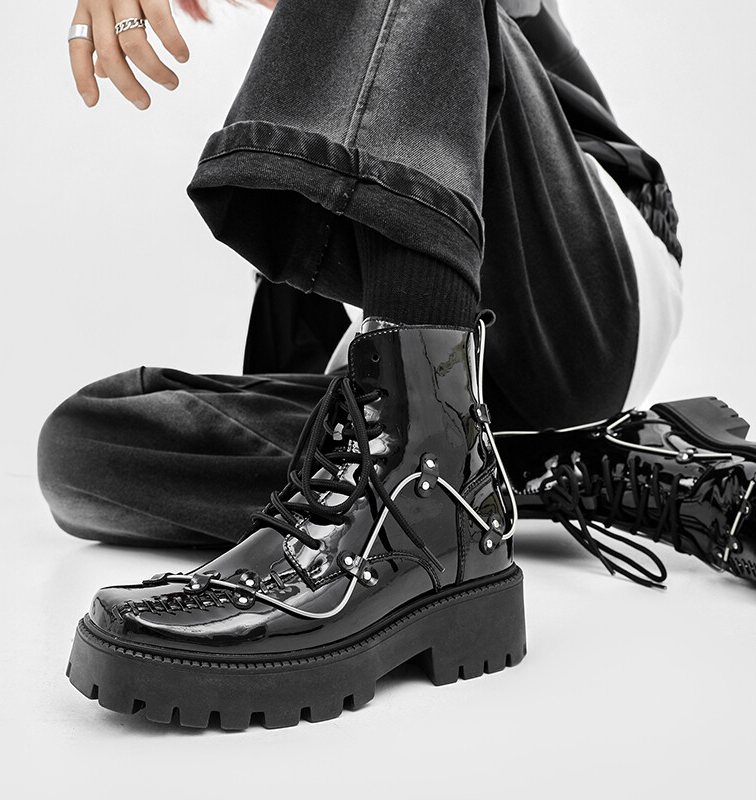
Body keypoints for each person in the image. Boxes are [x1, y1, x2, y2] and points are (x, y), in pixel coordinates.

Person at [49, 0, 755, 729]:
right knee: (82, 448)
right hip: (413, 363)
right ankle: (500, 474)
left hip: (581, 293)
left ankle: (424, 465)